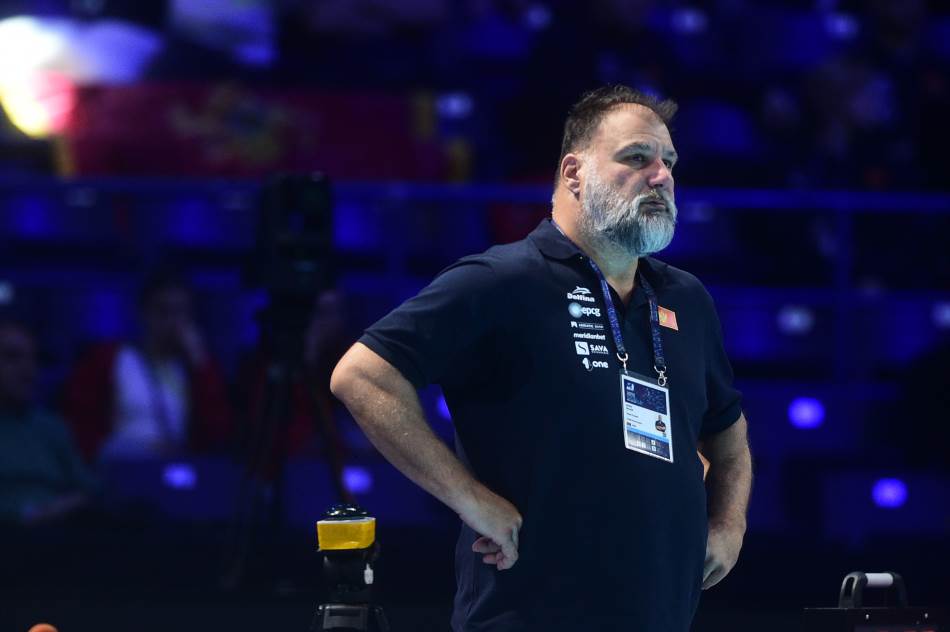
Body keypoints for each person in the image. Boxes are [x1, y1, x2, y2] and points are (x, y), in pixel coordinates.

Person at [330, 85, 752, 631]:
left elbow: (728, 431)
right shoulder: (504, 279)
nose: (661, 176)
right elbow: (362, 375)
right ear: (574, 173)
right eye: (636, 157)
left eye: (668, 162)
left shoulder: (685, 298)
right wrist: (470, 499)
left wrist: (729, 524)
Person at [63, 268, 232, 462]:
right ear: (143, 313)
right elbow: (79, 428)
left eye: (181, 312)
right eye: (163, 311)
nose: (173, 322)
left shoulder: (195, 369)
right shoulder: (112, 360)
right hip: (121, 466)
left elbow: (217, 432)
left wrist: (201, 363)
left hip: (176, 469)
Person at [0, 312, 96, 526]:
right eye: (12, 357)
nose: (27, 370)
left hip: (55, 534)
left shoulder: (52, 428)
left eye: (33, 359)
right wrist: (24, 515)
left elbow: (88, 490)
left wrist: (57, 510)